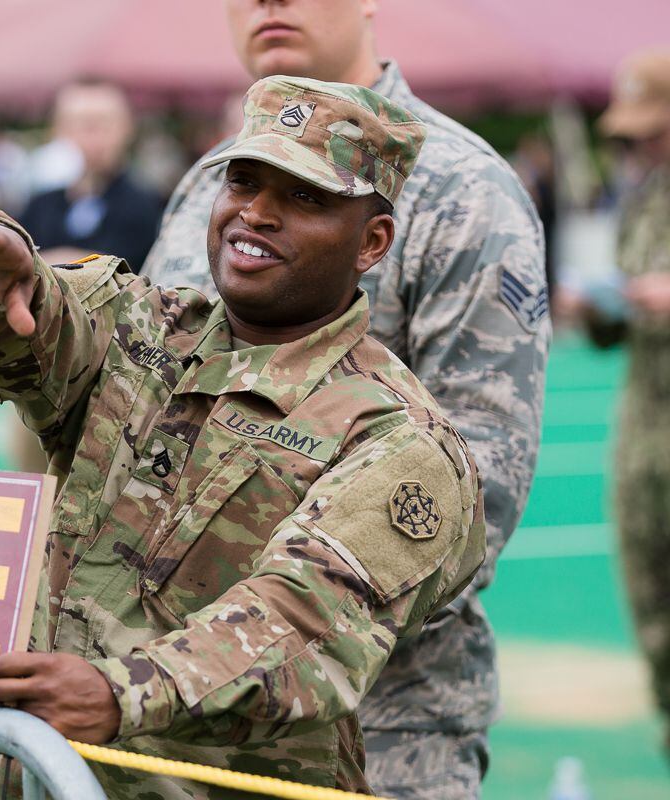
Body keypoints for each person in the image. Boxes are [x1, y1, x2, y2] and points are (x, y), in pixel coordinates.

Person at [0, 75, 485, 797]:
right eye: (243, 182)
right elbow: (22, 336)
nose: (256, 214)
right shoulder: (142, 326)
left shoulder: (399, 440)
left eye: (304, 197)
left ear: (372, 242)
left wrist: (123, 692)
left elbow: (306, 624)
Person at [140, 2, 549, 795]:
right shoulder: (208, 185)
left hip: (370, 728)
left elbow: (476, 491)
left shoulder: (463, 191)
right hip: (177, 716)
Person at [589, 49, 670, 753]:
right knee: (653, 603)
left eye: (657, 128)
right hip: (647, 434)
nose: (644, 145)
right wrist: (599, 307)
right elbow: (615, 333)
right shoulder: (642, 199)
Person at [18, 78, 163, 272]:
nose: (91, 136)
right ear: (56, 130)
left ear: (127, 128)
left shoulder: (149, 206)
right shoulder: (39, 208)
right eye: (77, 123)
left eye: (102, 123)